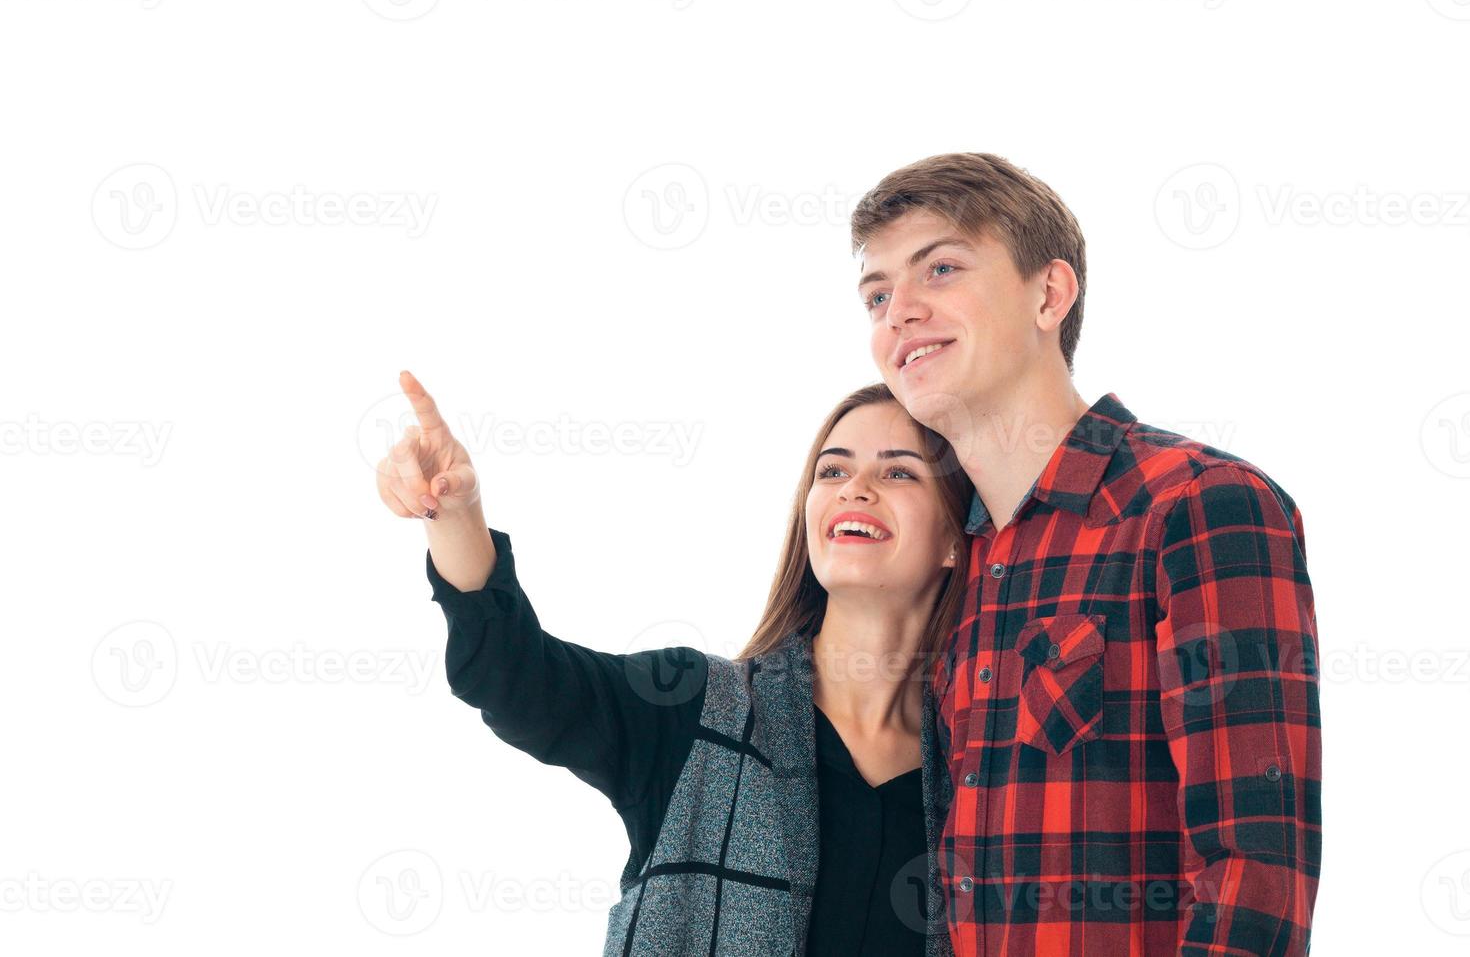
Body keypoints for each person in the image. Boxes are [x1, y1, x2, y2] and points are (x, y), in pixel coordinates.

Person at [850, 152, 1322, 955]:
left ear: (1049, 293)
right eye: (877, 294)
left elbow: (1256, 868)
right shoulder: (955, 562)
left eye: (942, 267)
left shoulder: (1196, 505)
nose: (900, 312)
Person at [375, 371, 976, 956]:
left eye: (898, 470)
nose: (855, 488)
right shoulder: (694, 707)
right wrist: (456, 516)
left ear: (956, 536)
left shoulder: (974, 780)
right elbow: (515, 676)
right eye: (834, 469)